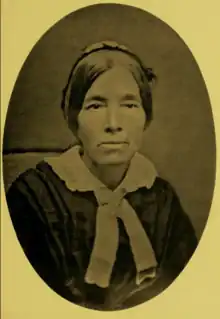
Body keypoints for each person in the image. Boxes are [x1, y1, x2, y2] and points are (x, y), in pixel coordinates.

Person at [6, 41, 198, 311]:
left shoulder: (161, 200)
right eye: (95, 106)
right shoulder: (32, 199)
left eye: (129, 105)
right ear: (74, 119)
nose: (113, 124)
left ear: (146, 117)